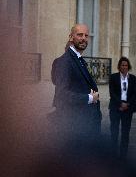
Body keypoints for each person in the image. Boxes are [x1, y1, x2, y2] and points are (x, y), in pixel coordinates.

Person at [50, 24, 102, 157]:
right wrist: (90, 98)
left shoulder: (79, 60)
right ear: (71, 37)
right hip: (74, 131)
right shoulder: (64, 61)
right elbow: (61, 95)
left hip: (86, 129)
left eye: (86, 35)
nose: (84, 38)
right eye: (79, 35)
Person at [108, 56, 136, 161]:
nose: (124, 67)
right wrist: (120, 103)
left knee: (125, 133)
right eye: (122, 65)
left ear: (128, 66)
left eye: (126, 65)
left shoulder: (133, 78)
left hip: (127, 109)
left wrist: (127, 104)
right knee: (114, 131)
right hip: (116, 108)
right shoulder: (113, 77)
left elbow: (134, 94)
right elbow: (112, 93)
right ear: (119, 66)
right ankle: (113, 155)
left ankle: (123, 156)